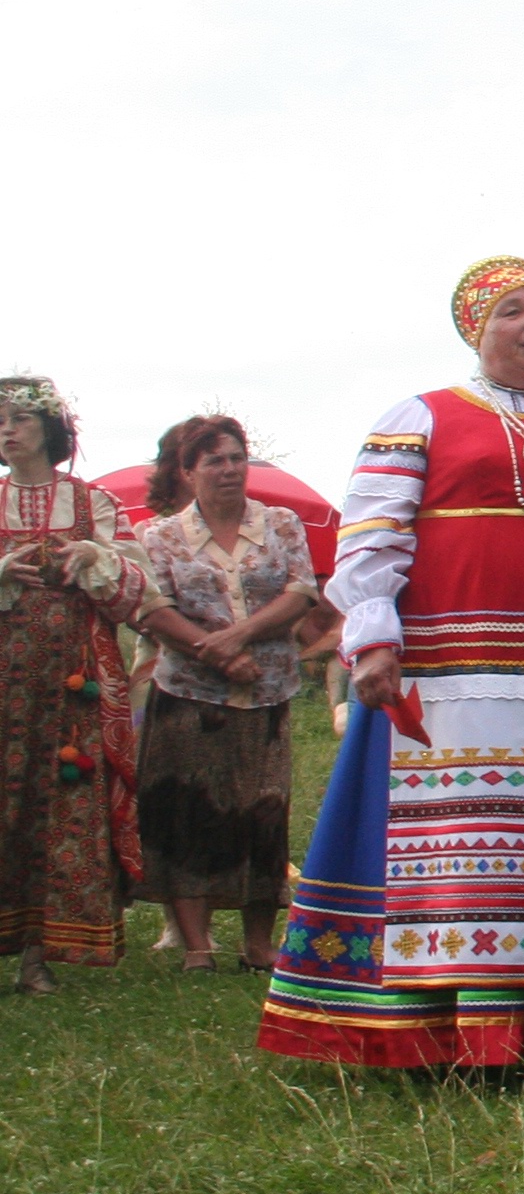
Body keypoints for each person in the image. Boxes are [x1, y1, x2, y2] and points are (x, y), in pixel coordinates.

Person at [260, 259, 524, 1068]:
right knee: (457, 853)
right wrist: (376, 638)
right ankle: (441, 1033)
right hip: (453, 674)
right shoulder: (420, 417)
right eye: (511, 313)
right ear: (475, 332)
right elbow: (372, 541)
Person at [129, 416, 317, 974]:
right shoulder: (159, 537)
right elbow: (152, 608)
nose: (230, 469)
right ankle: (197, 947)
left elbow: (303, 590)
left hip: (266, 693)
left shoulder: (281, 523)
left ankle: (258, 945)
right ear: (188, 472)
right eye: (214, 460)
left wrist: (239, 638)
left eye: (237, 457)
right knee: (190, 815)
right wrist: (214, 654)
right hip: (188, 696)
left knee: (263, 813)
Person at [0, 376, 149, 990]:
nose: (7, 431)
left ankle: (39, 954)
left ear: (50, 429)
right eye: (1, 422)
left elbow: (141, 586)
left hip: (76, 684)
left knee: (66, 804)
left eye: (18, 419)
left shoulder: (94, 503)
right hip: (6, 680)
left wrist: (95, 556)